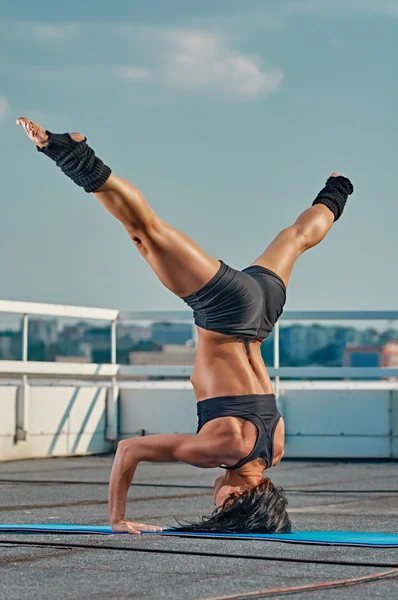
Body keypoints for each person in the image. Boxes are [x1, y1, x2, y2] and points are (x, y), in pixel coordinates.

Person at [17, 117, 354, 535]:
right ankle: (70, 151)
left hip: (263, 313)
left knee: (295, 239)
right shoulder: (224, 448)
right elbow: (129, 449)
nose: (214, 501)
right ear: (235, 499)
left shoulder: (275, 449)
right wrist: (117, 519)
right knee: (146, 231)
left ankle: (337, 190)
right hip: (225, 312)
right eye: (221, 507)